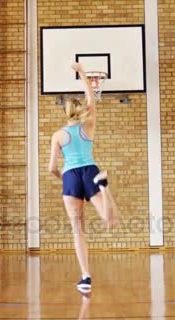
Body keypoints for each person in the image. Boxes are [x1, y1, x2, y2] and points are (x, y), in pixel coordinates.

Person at [48, 62, 119, 293]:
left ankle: (86, 277)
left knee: (78, 229)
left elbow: (51, 168)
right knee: (109, 220)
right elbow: (91, 98)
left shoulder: (58, 135)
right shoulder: (88, 125)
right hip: (91, 171)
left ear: (65, 112)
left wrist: (64, 180)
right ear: (81, 111)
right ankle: (104, 187)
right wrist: (82, 74)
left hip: (70, 176)